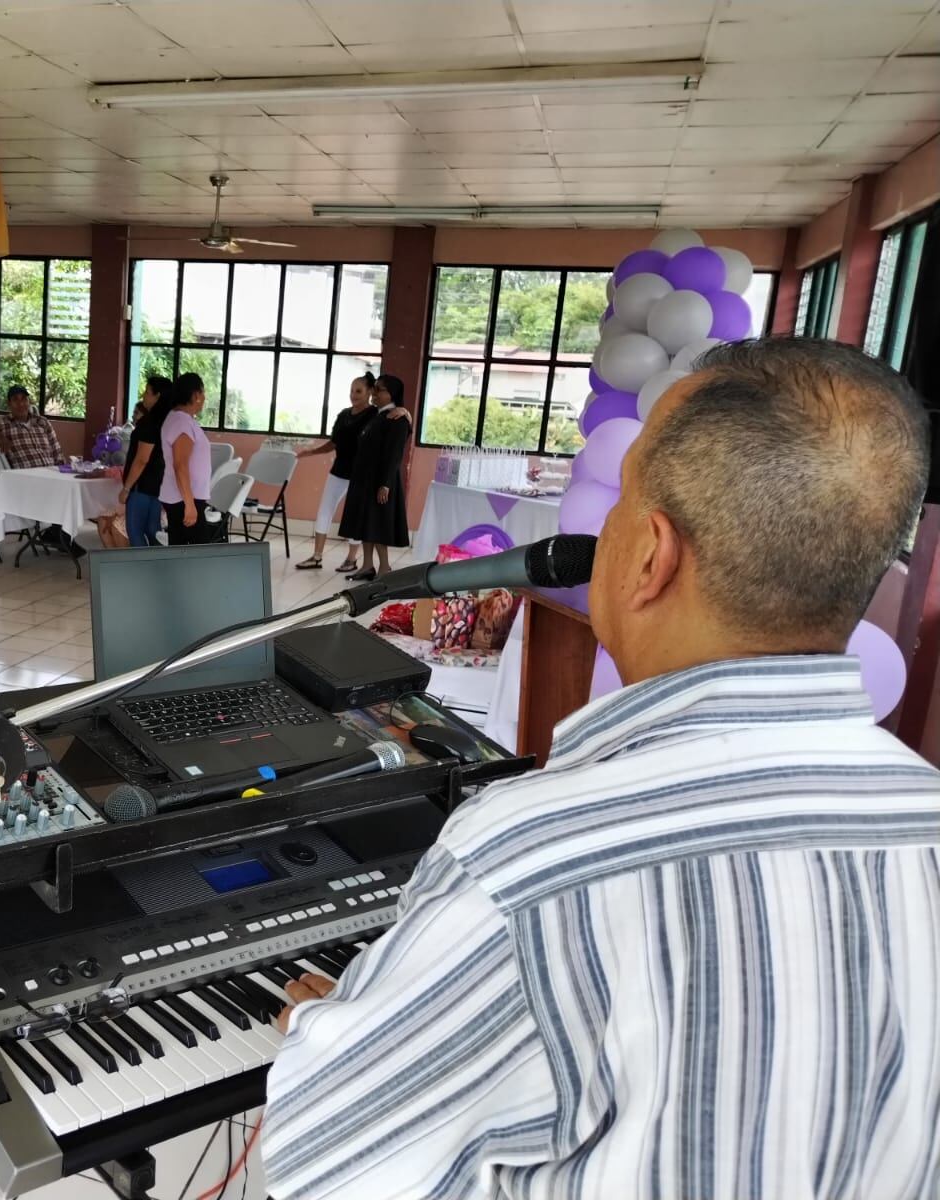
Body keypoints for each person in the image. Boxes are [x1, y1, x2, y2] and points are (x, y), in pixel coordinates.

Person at [263, 339, 940, 1200]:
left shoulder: (531, 851)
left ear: (653, 556)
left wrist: (325, 1031)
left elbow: (329, 1167)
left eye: (621, 499)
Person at [294, 371, 407, 572]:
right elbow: (334, 442)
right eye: (351, 391)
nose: (354, 395)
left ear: (369, 392)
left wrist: (406, 412)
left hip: (367, 477)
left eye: (359, 391)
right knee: (336, 512)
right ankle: (320, 556)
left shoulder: (379, 414)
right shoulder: (349, 415)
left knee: (363, 519)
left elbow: (395, 447)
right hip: (346, 471)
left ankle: (357, 560)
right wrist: (310, 452)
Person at [337, 373, 411, 581]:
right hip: (364, 479)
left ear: (392, 394)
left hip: (380, 481)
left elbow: (395, 455)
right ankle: (367, 566)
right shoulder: (377, 415)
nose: (375, 393)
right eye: (375, 389)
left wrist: (385, 484)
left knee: (378, 526)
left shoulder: (397, 419)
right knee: (365, 525)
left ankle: (384, 567)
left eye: (380, 390)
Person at [159, 372, 216, 546]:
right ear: (196, 394)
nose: (204, 397)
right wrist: (189, 504)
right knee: (198, 554)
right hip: (184, 499)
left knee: (182, 549)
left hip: (184, 497)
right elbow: (180, 465)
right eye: (203, 392)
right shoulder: (181, 422)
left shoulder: (182, 420)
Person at [117, 374, 172, 547]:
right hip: (158, 485)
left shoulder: (149, 423)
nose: (143, 395)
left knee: (135, 531)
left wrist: (126, 488)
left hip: (141, 487)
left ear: (158, 397)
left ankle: (143, 570)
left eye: (147, 392)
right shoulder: (169, 421)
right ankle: (159, 569)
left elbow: (141, 459)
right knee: (153, 530)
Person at [0, 384, 64, 469]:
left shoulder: (42, 422)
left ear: (29, 402)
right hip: (25, 477)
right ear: (9, 404)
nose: (21, 404)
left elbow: (57, 452)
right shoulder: (2, 423)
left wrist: (62, 473)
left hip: (51, 474)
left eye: (24, 399)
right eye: (15, 399)